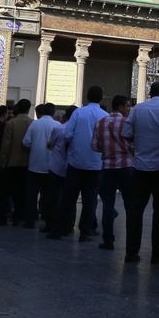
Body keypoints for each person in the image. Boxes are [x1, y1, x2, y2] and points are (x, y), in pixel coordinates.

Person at [122, 81, 159, 264]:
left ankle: (131, 251)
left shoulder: (137, 109)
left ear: (150, 93)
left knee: (135, 211)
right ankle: (158, 253)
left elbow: (126, 134)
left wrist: (135, 149)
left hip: (140, 166)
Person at [50, 86, 107, 240]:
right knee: (90, 199)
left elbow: (68, 134)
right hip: (95, 164)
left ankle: (59, 228)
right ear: (101, 98)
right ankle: (85, 231)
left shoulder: (79, 112)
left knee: (68, 197)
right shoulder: (104, 115)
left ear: (87, 97)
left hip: (76, 162)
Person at [92, 95, 134, 251]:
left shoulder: (100, 123)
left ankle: (108, 240)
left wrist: (107, 150)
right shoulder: (127, 122)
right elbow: (133, 145)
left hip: (107, 167)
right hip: (126, 166)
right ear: (121, 107)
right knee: (130, 205)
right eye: (127, 106)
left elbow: (94, 146)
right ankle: (131, 244)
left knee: (107, 205)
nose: (128, 109)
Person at [22, 103, 63, 229]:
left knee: (31, 194)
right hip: (51, 166)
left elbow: (26, 142)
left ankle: (30, 220)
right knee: (48, 195)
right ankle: (47, 219)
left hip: (35, 165)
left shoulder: (35, 124)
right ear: (54, 112)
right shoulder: (58, 125)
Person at [0, 99, 32, 226]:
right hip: (26, 164)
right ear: (28, 109)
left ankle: (1, 218)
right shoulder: (32, 123)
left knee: (5, 192)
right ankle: (18, 217)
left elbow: (6, 145)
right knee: (21, 192)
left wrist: (2, 162)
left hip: (11, 163)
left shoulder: (11, 123)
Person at [41, 106, 76, 235]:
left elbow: (50, 144)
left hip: (55, 167)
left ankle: (51, 224)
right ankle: (68, 225)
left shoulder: (59, 129)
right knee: (69, 198)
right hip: (70, 168)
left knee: (53, 197)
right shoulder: (77, 130)